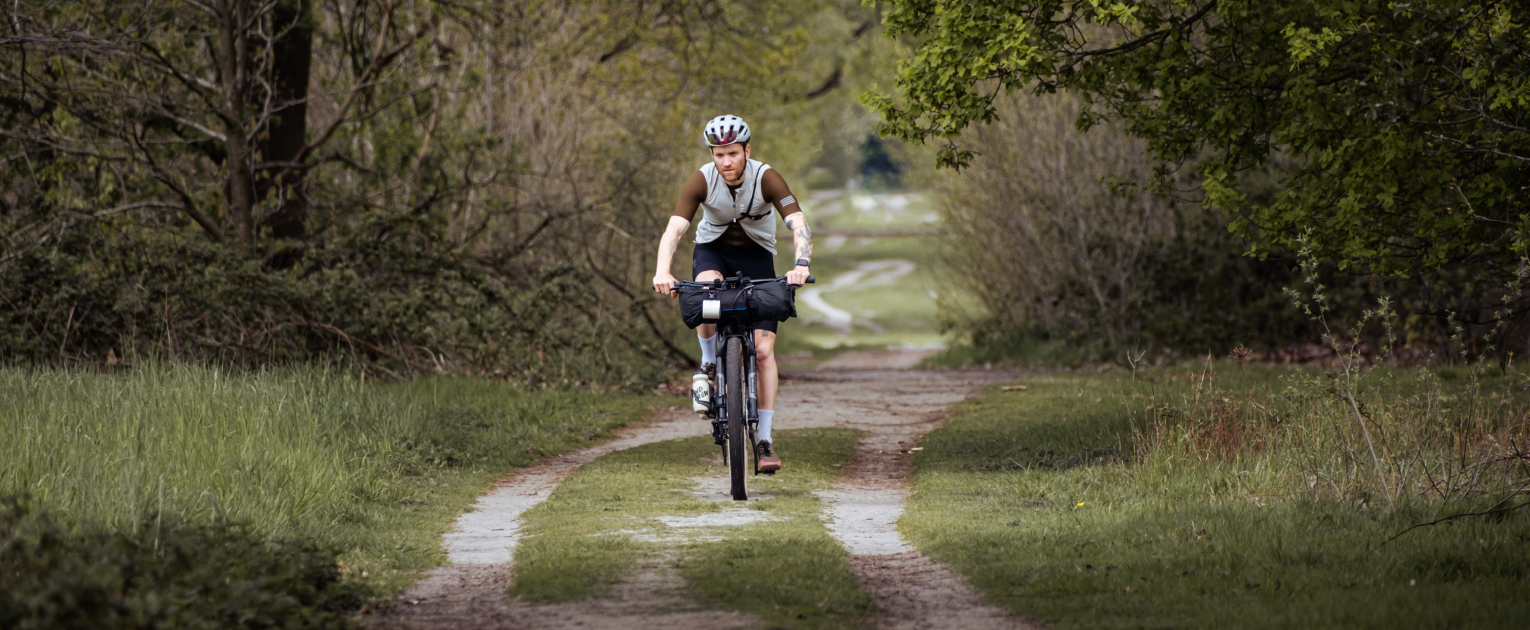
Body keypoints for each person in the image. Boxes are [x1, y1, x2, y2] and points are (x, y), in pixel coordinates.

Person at [652, 115, 813, 473]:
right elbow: (675, 230)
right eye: (719, 154)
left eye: (733, 153)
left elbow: (797, 221)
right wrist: (662, 271)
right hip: (713, 253)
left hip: (758, 258)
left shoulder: (766, 177)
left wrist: (800, 263)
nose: (726, 161)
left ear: (746, 152)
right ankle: (709, 359)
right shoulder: (702, 179)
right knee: (706, 289)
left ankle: (765, 439)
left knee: (763, 350)